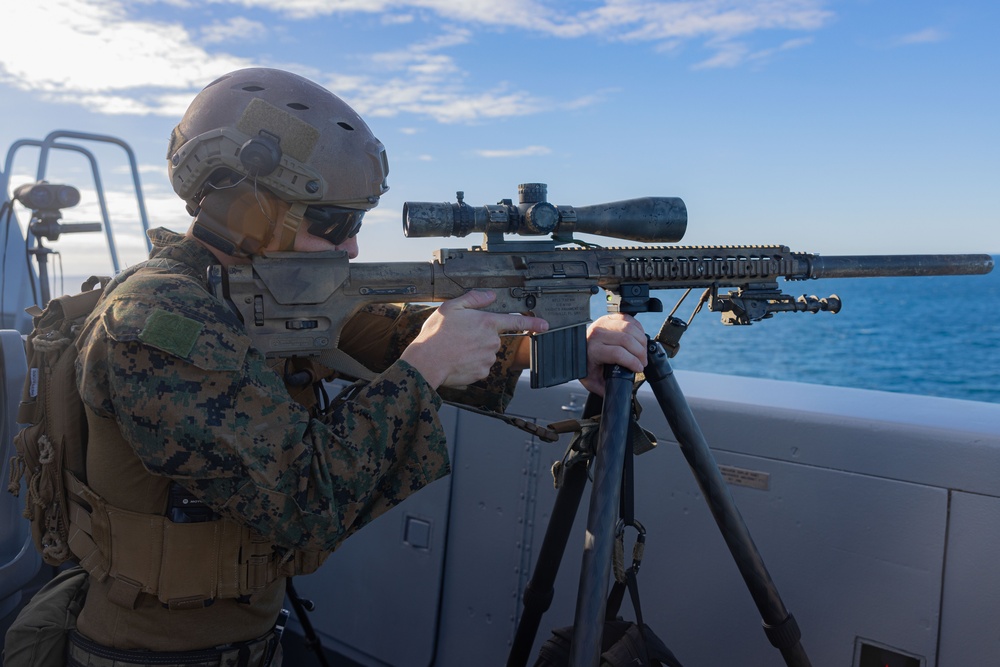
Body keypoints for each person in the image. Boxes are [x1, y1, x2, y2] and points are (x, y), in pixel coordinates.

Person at [49, 67, 648, 666]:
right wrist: (428, 365)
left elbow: (388, 334)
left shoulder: (259, 293)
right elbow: (304, 502)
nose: (354, 247)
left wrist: (558, 344)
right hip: (150, 656)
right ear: (250, 208)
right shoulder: (158, 320)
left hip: (242, 642)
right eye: (335, 224)